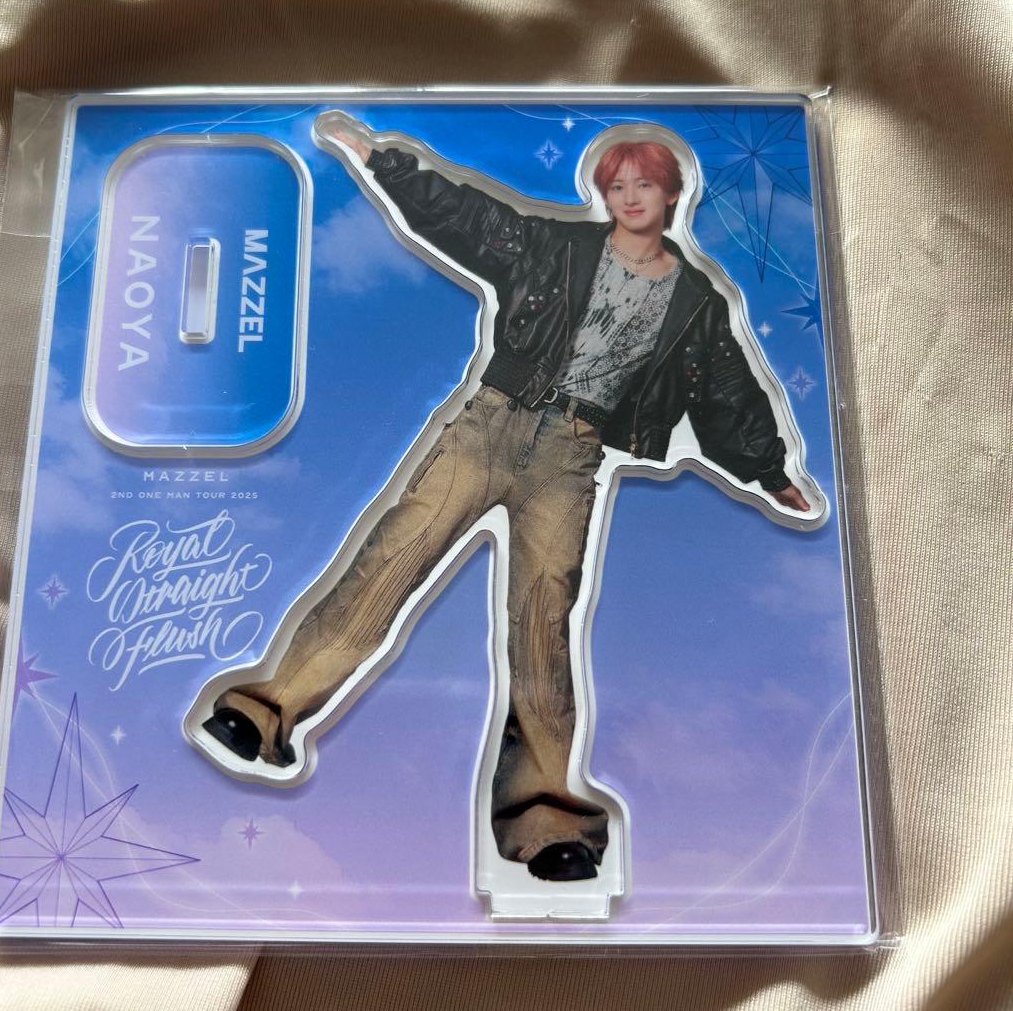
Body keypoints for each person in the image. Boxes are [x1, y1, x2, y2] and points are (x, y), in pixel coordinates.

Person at [200, 119, 812, 883]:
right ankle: (262, 712)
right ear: (603, 193)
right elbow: (470, 219)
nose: (630, 197)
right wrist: (381, 160)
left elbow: (727, 392)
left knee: (543, 622)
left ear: (671, 193)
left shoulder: (694, 302)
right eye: (618, 185)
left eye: (645, 185)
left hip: (572, 455)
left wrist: (769, 471)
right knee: (390, 560)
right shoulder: (557, 248)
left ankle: (546, 819)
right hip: (490, 424)